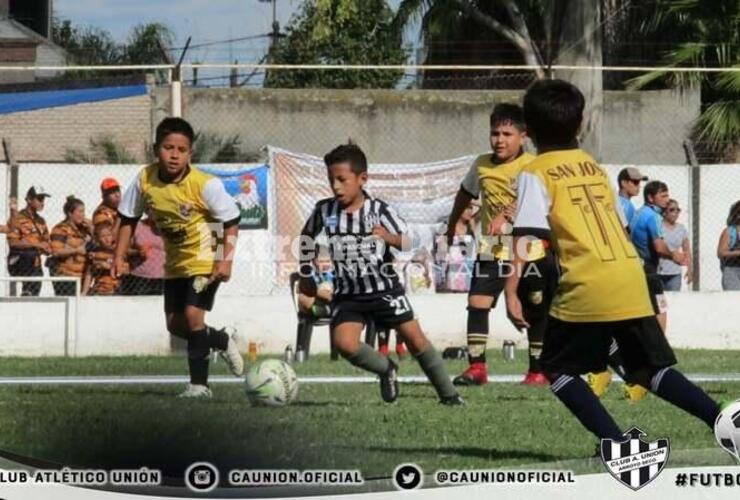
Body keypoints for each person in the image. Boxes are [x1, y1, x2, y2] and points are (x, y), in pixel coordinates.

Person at [506, 78, 720, 447]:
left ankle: (618, 445)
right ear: (580, 124)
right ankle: (722, 420)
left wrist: (511, 291)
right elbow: (618, 226)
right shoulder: (592, 166)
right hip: (628, 274)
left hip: (587, 281)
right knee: (647, 368)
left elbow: (528, 238)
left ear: (528, 131)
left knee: (556, 369)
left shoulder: (534, 172)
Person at [298, 143, 463, 405]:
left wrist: (388, 237)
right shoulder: (324, 210)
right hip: (348, 293)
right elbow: (306, 237)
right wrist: (306, 270)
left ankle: (450, 396)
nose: (336, 187)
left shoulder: (379, 211)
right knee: (344, 343)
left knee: (415, 340)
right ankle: (387, 369)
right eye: (331, 180)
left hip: (384, 290)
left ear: (362, 178)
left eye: (342, 179)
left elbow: (409, 242)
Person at [113, 117, 244, 399]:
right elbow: (128, 217)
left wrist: (225, 260)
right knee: (175, 324)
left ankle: (199, 386)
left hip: (205, 260)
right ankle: (220, 339)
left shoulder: (204, 185)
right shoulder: (145, 179)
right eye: (168, 148)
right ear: (155, 149)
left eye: (181, 150)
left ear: (190, 154)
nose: (174, 155)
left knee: (193, 316)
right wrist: (119, 255)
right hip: (174, 264)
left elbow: (230, 221)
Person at [446, 103, 556, 387]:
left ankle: (537, 370)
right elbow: (465, 193)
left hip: (529, 247)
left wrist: (505, 213)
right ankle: (477, 368)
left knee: (534, 305)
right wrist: (451, 224)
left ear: (523, 136)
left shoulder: (533, 166)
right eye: (495, 133)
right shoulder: (481, 164)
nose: (499, 140)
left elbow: (533, 199)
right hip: (492, 247)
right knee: (477, 302)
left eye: (507, 133)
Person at [6, 186, 52, 296]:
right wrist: (37, 245)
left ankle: (29, 293)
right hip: (17, 260)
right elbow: (13, 243)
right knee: (30, 255)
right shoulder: (17, 218)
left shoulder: (41, 221)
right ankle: (28, 291)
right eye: (39, 199)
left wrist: (47, 249)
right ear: (29, 200)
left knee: (37, 261)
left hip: (35, 264)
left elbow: (47, 243)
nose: (42, 202)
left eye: (43, 199)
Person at [49, 196, 92, 296]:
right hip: (66, 275)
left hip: (82, 275)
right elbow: (56, 251)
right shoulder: (61, 229)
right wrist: (76, 250)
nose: (83, 215)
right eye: (80, 212)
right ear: (70, 213)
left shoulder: (85, 229)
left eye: (83, 212)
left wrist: (92, 229)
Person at [118, 209, 165, 295]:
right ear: (146, 211)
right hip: (139, 276)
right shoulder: (137, 227)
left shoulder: (167, 227)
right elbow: (125, 249)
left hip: (163, 276)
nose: (155, 212)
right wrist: (137, 252)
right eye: (151, 209)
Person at [658, 199, 692, 291]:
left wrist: (689, 269)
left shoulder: (681, 229)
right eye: (672, 210)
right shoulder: (658, 227)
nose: (676, 213)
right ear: (664, 212)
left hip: (675, 271)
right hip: (659, 271)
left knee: (674, 300)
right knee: (661, 301)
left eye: (678, 210)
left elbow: (687, 249)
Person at [83, 223, 124, 296]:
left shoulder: (119, 251)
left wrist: (108, 266)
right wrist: (84, 292)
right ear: (98, 238)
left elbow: (127, 270)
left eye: (109, 235)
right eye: (103, 236)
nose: (107, 239)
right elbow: (89, 274)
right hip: (100, 288)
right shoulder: (94, 253)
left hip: (117, 289)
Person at [718, 200, 740, 291]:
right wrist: (738, 253)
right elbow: (721, 253)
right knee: (735, 301)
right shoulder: (730, 231)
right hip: (732, 271)